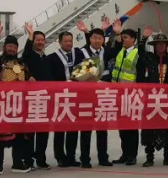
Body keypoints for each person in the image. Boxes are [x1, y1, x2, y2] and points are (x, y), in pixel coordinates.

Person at [0, 21, 32, 173]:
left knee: (19, 135)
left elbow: (28, 69)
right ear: (5, 47)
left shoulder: (21, 63)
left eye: (14, 47)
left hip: (18, 105)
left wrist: (30, 36)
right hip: (1, 105)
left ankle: (17, 163)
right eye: (9, 46)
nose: (11, 49)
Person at [73, 21, 117, 167]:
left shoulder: (107, 51)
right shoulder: (81, 52)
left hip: (103, 95)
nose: (97, 40)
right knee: (86, 128)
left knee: (102, 128)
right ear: (90, 39)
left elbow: (116, 51)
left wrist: (116, 33)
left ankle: (103, 158)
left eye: (100, 38)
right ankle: (85, 159)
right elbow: (76, 73)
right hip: (86, 95)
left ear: (103, 39)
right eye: (94, 38)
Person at [138, 32, 168, 166]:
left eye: (163, 44)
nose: (161, 46)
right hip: (151, 99)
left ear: (167, 46)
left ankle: (167, 157)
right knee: (150, 128)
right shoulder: (149, 59)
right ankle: (149, 157)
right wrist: (144, 38)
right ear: (154, 46)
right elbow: (140, 53)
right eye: (158, 44)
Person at [108, 25, 148, 165]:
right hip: (118, 94)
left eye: (125, 38)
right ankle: (124, 154)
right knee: (122, 127)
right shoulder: (121, 52)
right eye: (122, 37)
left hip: (132, 95)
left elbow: (140, 74)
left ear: (133, 39)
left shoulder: (137, 53)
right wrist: (116, 33)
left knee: (131, 127)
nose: (123, 40)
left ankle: (132, 155)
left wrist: (145, 38)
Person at [22, 24, 56, 169]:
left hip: (45, 100)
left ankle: (41, 158)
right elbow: (26, 54)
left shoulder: (48, 59)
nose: (40, 42)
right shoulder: (29, 57)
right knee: (30, 132)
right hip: (31, 100)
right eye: (37, 40)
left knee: (43, 132)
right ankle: (28, 159)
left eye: (42, 40)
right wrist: (30, 36)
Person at [46, 30, 78, 168]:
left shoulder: (78, 54)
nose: (69, 44)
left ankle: (71, 156)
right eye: (66, 41)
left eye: (70, 41)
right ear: (59, 42)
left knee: (73, 128)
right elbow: (50, 77)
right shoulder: (52, 58)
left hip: (76, 97)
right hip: (59, 97)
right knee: (60, 128)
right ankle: (60, 156)